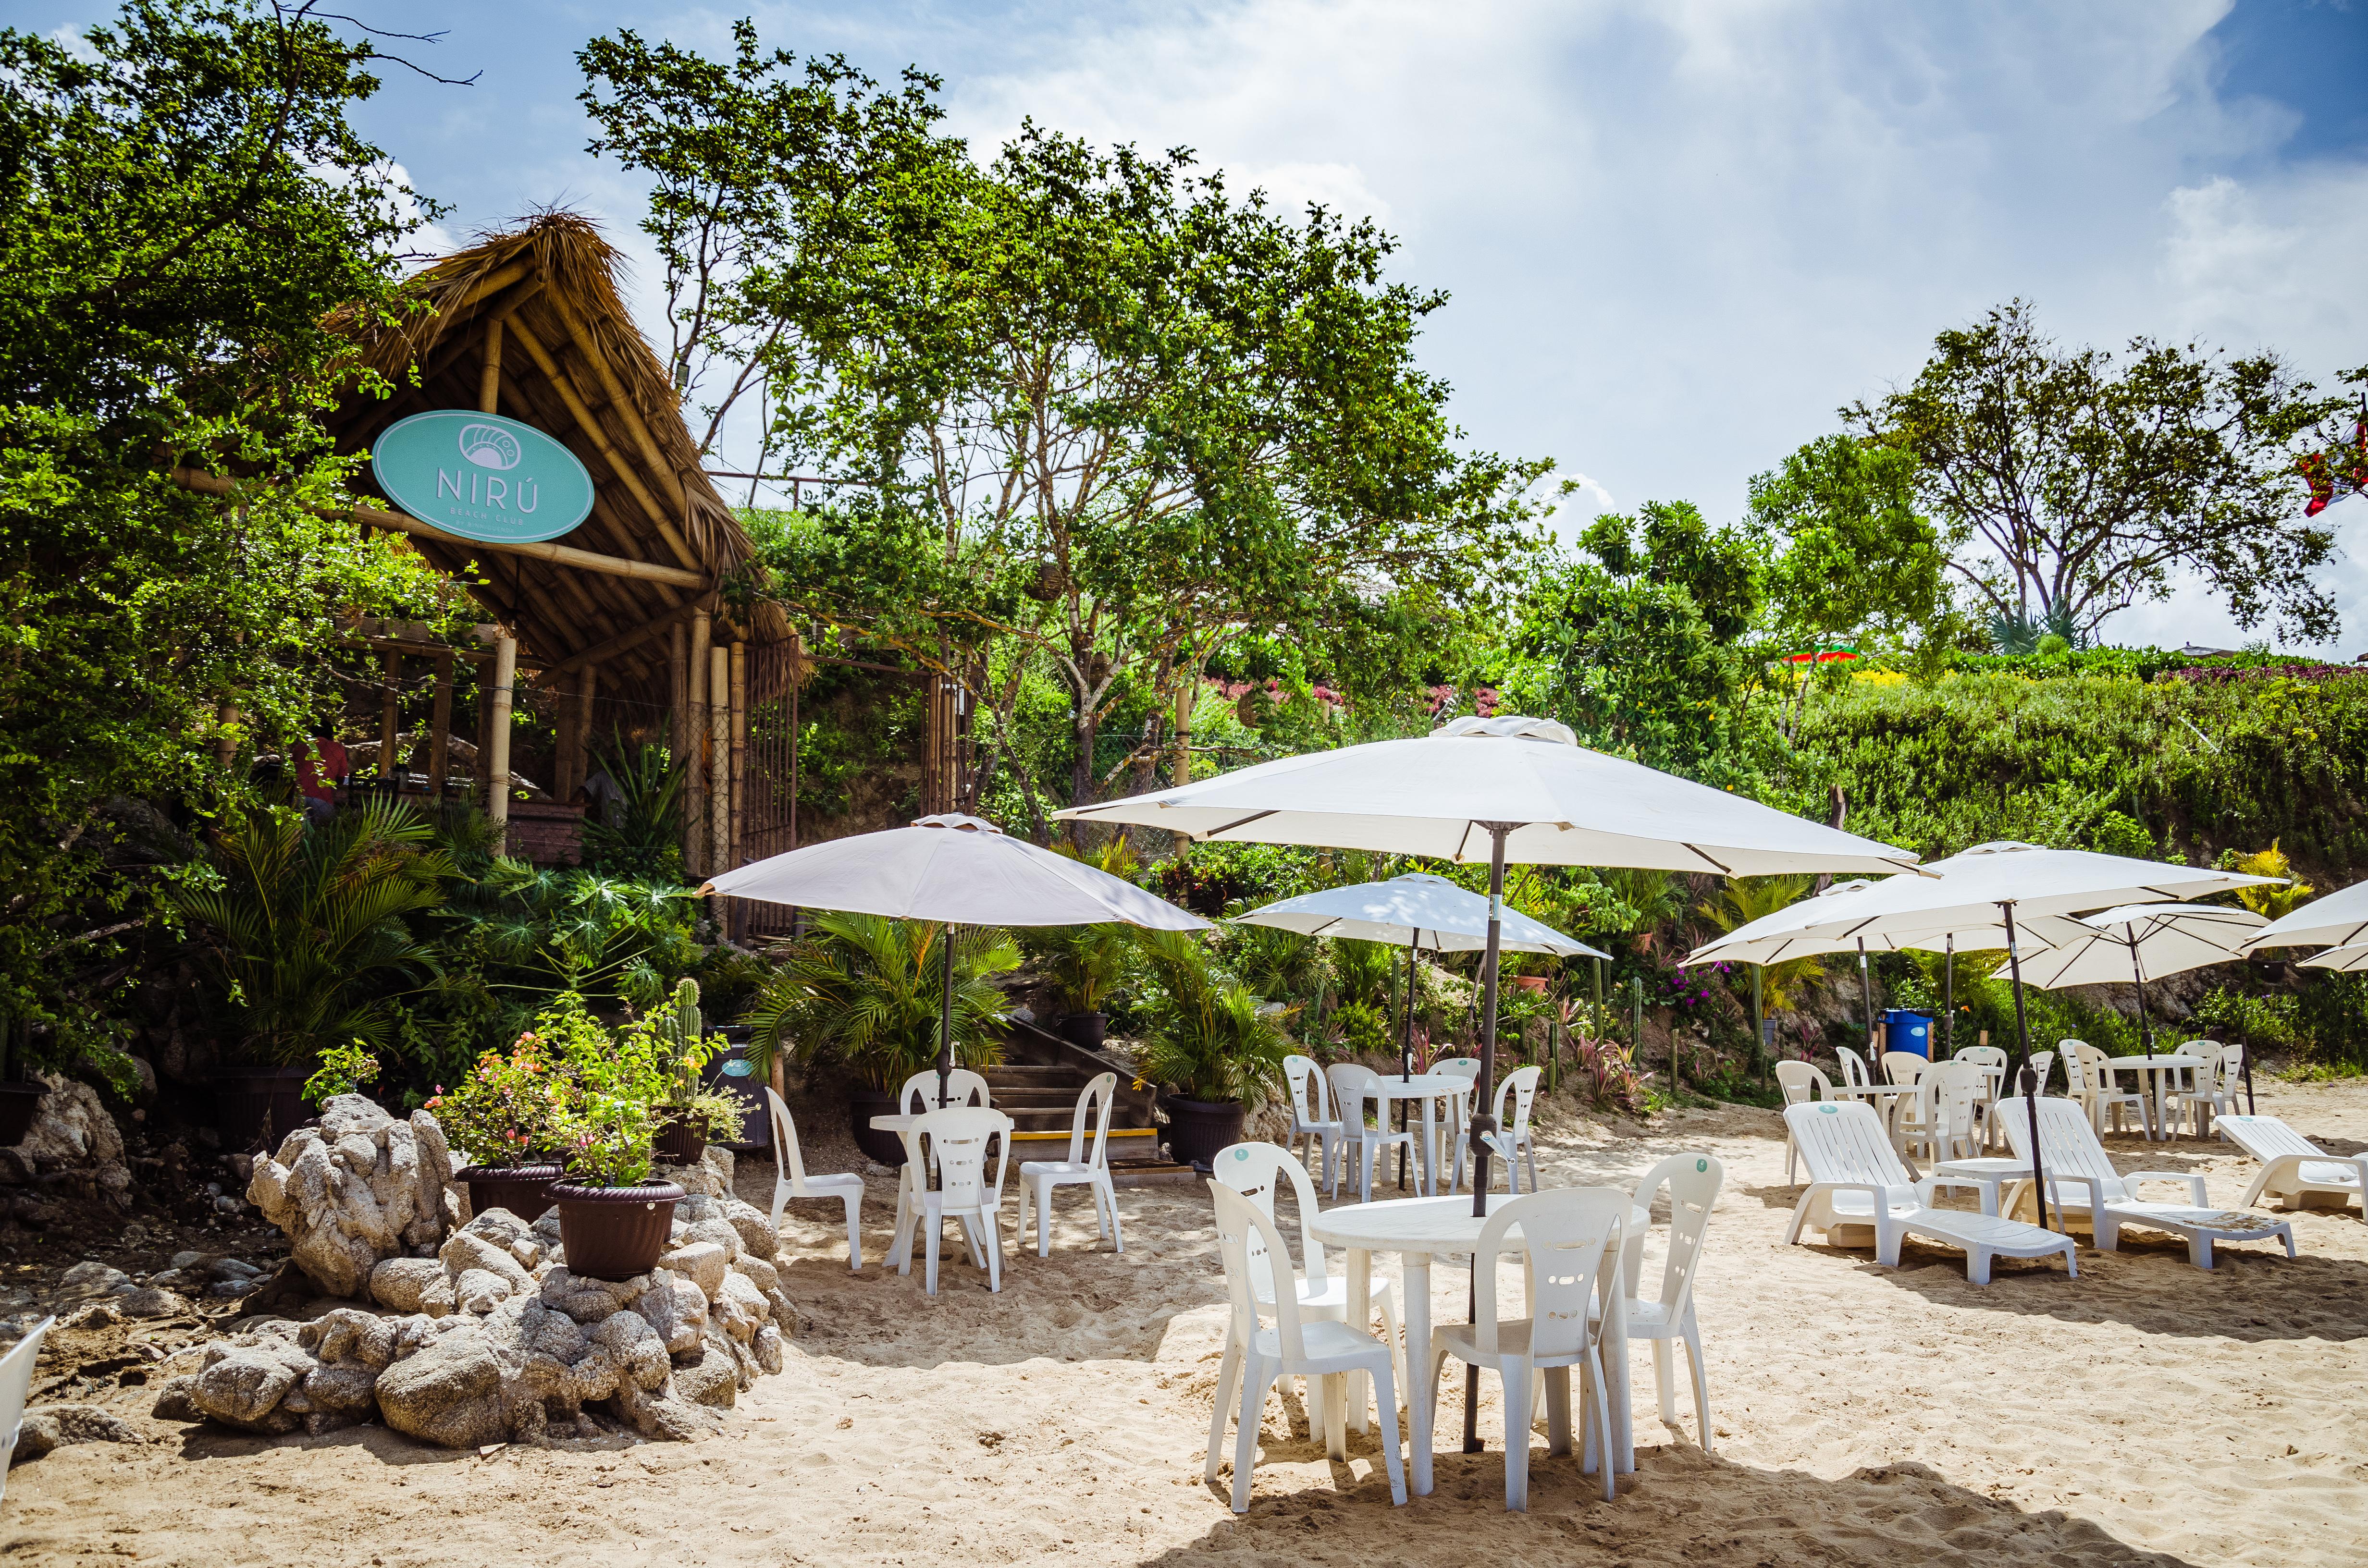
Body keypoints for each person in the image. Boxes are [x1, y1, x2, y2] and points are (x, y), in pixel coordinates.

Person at [295, 732, 347, 825]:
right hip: (323, 799)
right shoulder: (338, 748)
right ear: (331, 736)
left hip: (299, 797)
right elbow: (341, 779)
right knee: (327, 824)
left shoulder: (301, 747)